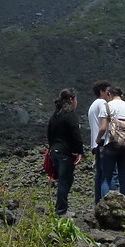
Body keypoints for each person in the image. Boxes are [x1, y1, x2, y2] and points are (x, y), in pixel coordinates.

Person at [47, 88, 83, 217]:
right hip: (65, 153)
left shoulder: (55, 115)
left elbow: (49, 133)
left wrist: (52, 148)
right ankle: (61, 210)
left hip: (54, 151)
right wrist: (79, 151)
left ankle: (60, 208)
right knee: (65, 181)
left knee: (63, 180)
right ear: (72, 99)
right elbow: (76, 134)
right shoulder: (70, 115)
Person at [97, 86, 125, 200]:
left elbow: (103, 127)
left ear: (109, 94)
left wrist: (98, 139)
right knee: (124, 176)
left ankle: (105, 205)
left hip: (111, 144)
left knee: (106, 178)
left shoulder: (107, 106)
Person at [87, 80, 113, 204]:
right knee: (107, 177)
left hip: (95, 145)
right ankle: (107, 204)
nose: (110, 95)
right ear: (102, 92)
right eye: (108, 92)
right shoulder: (102, 103)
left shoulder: (92, 105)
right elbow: (104, 125)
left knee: (99, 176)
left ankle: (98, 203)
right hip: (103, 142)